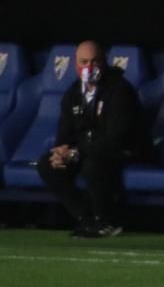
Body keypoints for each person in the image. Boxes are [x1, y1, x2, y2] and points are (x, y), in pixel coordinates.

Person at [36, 40, 151, 238]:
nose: (89, 67)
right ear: (75, 65)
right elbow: (65, 134)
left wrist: (76, 152)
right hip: (84, 150)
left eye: (94, 61)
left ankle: (105, 220)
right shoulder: (73, 93)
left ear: (104, 62)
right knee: (48, 164)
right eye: (83, 62)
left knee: (93, 164)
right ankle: (85, 219)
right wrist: (61, 152)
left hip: (122, 150)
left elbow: (116, 138)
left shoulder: (120, 89)